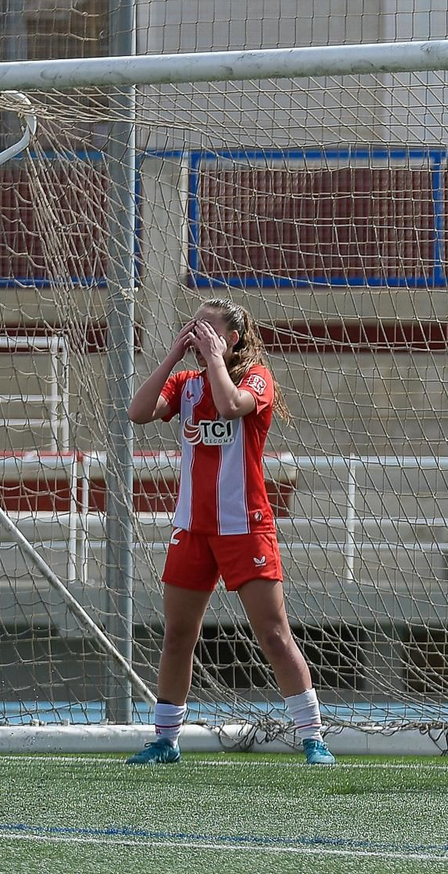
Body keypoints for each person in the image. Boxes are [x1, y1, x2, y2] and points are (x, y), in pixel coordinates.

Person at [124, 298, 335, 766]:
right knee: (178, 635)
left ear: (232, 337)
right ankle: (165, 740)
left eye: (207, 328)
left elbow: (229, 404)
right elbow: (137, 412)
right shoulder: (185, 384)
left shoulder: (255, 377)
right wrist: (171, 357)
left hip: (246, 528)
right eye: (193, 326)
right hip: (192, 530)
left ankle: (312, 736)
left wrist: (216, 359)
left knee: (275, 634)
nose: (196, 333)